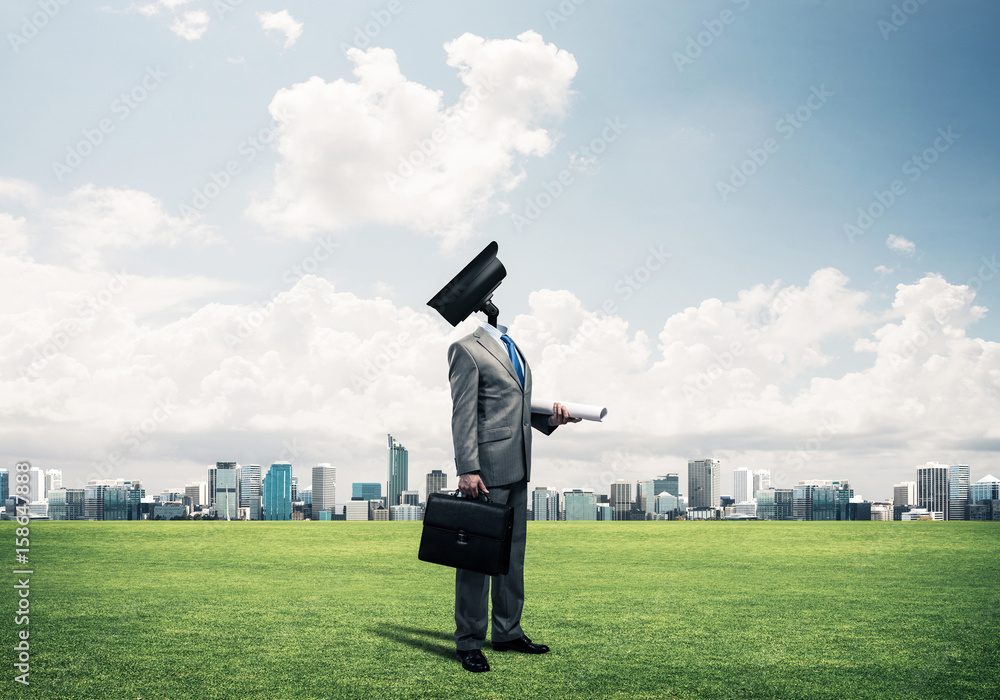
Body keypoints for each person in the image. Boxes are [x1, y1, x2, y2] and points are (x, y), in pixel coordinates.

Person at [447, 315, 580, 673]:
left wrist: (552, 420)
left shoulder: (513, 348)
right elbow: (463, 412)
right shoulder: (465, 349)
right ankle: (469, 642)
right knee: (476, 561)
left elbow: (516, 407)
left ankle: (507, 632)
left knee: (511, 558)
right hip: (485, 470)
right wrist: (467, 468)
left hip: (518, 465)